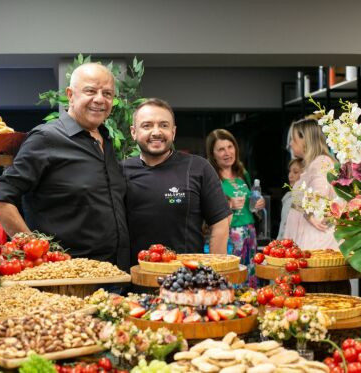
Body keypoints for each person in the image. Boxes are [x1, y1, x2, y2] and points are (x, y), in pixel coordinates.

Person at [0, 63, 130, 269]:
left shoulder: (105, 140)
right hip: (68, 277)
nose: (100, 99)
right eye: (90, 91)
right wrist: (37, 254)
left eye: (107, 93)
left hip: (115, 272)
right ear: (71, 95)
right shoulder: (46, 138)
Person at [121, 99, 231, 266]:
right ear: (133, 132)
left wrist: (212, 273)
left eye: (164, 125)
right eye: (147, 125)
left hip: (186, 279)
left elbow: (220, 224)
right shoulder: (120, 171)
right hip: (135, 280)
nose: (156, 132)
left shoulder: (198, 167)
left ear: (173, 132)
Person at [206, 129, 265, 288]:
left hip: (250, 230)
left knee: (250, 271)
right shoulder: (211, 177)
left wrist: (258, 204)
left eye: (230, 147)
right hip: (229, 234)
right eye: (221, 149)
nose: (227, 152)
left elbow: (252, 201)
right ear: (213, 154)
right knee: (231, 274)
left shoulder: (242, 173)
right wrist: (229, 205)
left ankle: (250, 306)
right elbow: (206, 209)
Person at [284, 118, 339, 250]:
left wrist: (307, 212)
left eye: (293, 139)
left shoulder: (321, 162)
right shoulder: (312, 164)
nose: (290, 143)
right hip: (307, 237)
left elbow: (317, 200)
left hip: (315, 241)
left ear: (305, 140)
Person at [277, 158, 303, 239]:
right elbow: (283, 227)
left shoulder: (304, 200)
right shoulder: (288, 197)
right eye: (290, 171)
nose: (290, 175)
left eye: (295, 172)